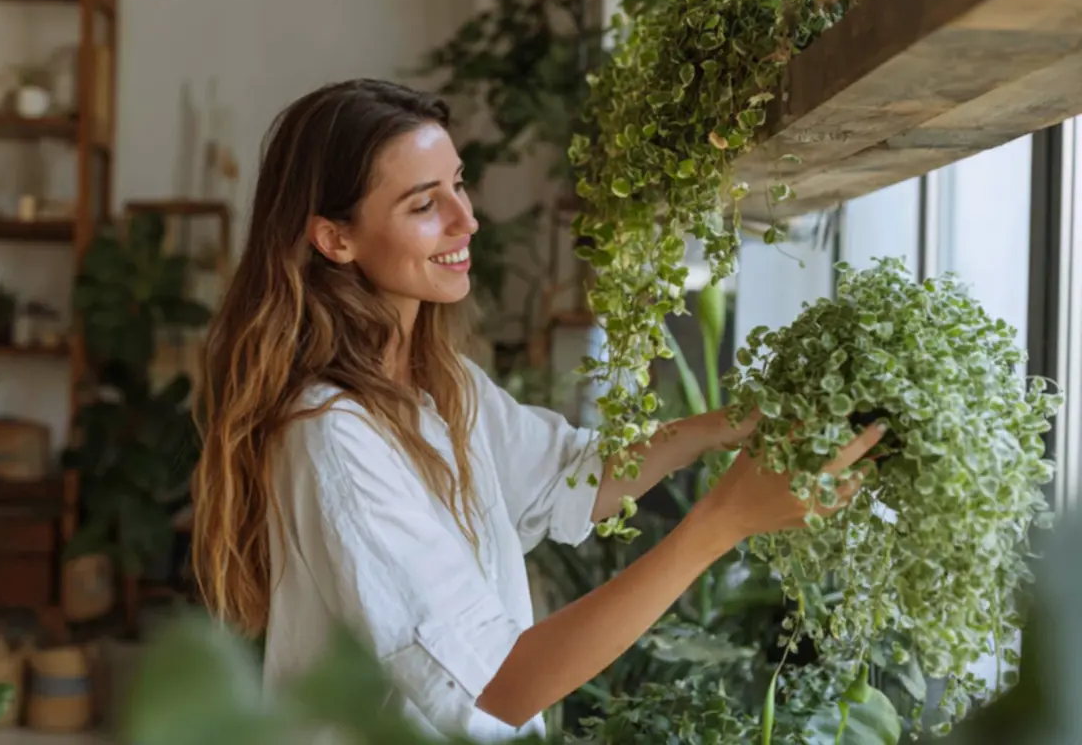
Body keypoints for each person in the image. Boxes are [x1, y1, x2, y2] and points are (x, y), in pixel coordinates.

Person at [190, 78, 882, 741]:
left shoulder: (440, 383)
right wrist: (723, 521)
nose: (468, 219)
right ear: (334, 238)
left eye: (458, 185)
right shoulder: (335, 439)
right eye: (424, 204)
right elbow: (502, 684)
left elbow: (571, 476)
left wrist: (730, 425)